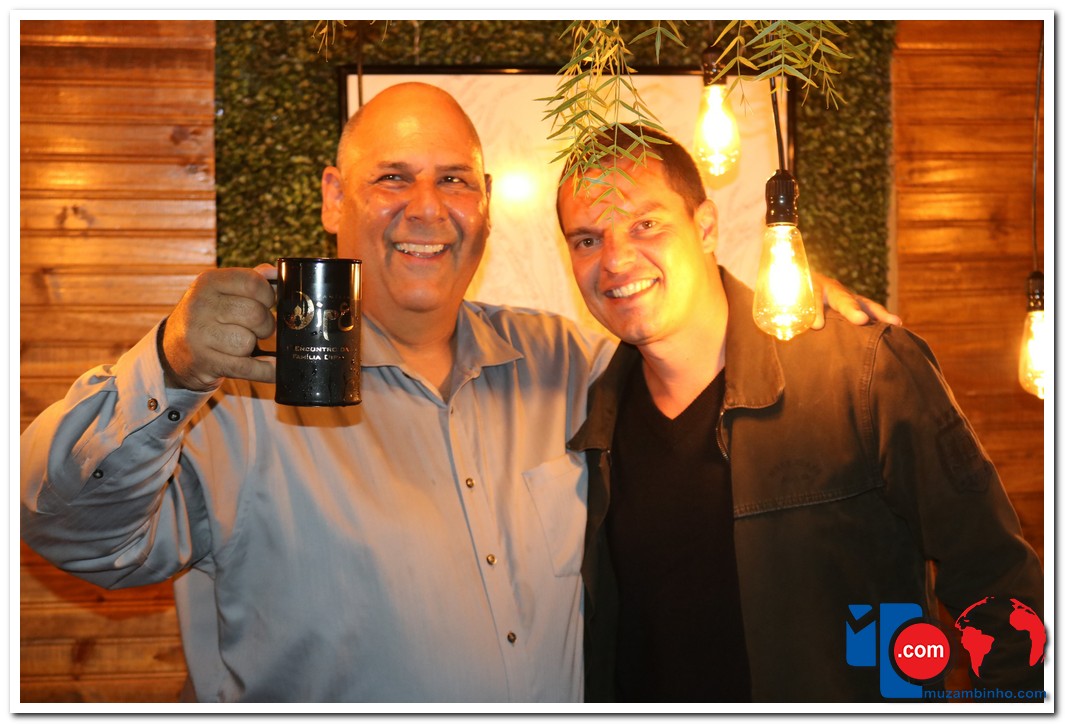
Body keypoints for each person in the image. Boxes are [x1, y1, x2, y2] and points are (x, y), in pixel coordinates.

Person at [21, 83, 890, 703]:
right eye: (392, 177)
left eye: (454, 179)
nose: (426, 208)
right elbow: (71, 532)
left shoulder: (568, 366)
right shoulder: (236, 395)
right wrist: (170, 366)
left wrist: (789, 312)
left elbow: (688, 356)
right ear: (333, 196)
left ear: (485, 203)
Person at [559, 125, 1044, 703]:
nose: (615, 259)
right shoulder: (590, 416)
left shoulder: (864, 372)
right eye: (587, 239)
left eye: (646, 224)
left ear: (706, 226)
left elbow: (999, 586)